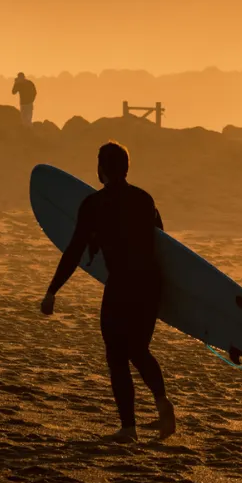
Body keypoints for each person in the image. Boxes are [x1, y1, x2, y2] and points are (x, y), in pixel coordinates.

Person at [40, 141, 176, 443]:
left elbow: (74, 250)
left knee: (117, 354)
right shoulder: (144, 200)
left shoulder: (94, 204)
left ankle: (128, 428)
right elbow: (164, 246)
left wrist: (52, 290)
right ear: (126, 168)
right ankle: (161, 402)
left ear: (101, 169)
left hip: (123, 284)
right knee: (138, 350)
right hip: (150, 284)